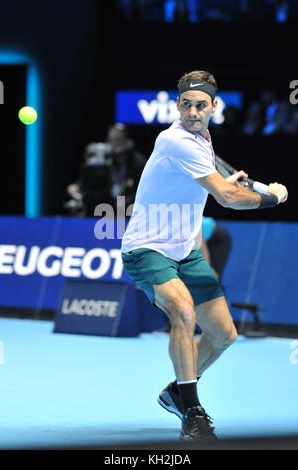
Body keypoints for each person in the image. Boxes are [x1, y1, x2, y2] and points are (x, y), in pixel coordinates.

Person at [121, 70, 288, 441]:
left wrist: (223, 182)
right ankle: (192, 412)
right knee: (182, 311)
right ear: (177, 104)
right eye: (185, 104)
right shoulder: (177, 140)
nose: (192, 111)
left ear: (214, 106)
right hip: (147, 250)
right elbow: (228, 199)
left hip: (185, 250)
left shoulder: (203, 140)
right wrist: (274, 196)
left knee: (224, 334)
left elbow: (206, 188)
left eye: (200, 105)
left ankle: (176, 391)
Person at [65, 123, 146, 217]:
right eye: (112, 140)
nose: (115, 144)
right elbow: (92, 180)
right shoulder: (103, 158)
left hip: (127, 208)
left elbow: (144, 190)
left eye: (118, 140)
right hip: (103, 205)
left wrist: (128, 201)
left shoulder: (138, 162)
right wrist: (77, 186)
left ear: (126, 140)